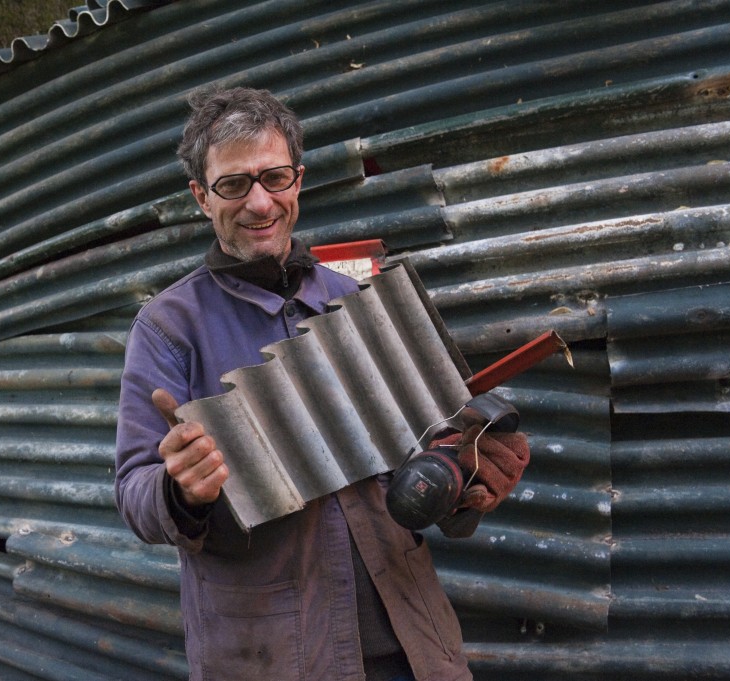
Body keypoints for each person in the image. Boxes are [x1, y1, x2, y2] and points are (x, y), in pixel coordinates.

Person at [114, 87, 528, 681]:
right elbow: (134, 491)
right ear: (202, 197)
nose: (260, 202)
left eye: (274, 178)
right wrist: (181, 491)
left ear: (298, 181)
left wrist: (468, 473)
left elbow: (427, 451)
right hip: (274, 659)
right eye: (234, 185)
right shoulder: (168, 328)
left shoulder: (358, 300)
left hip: (414, 647)